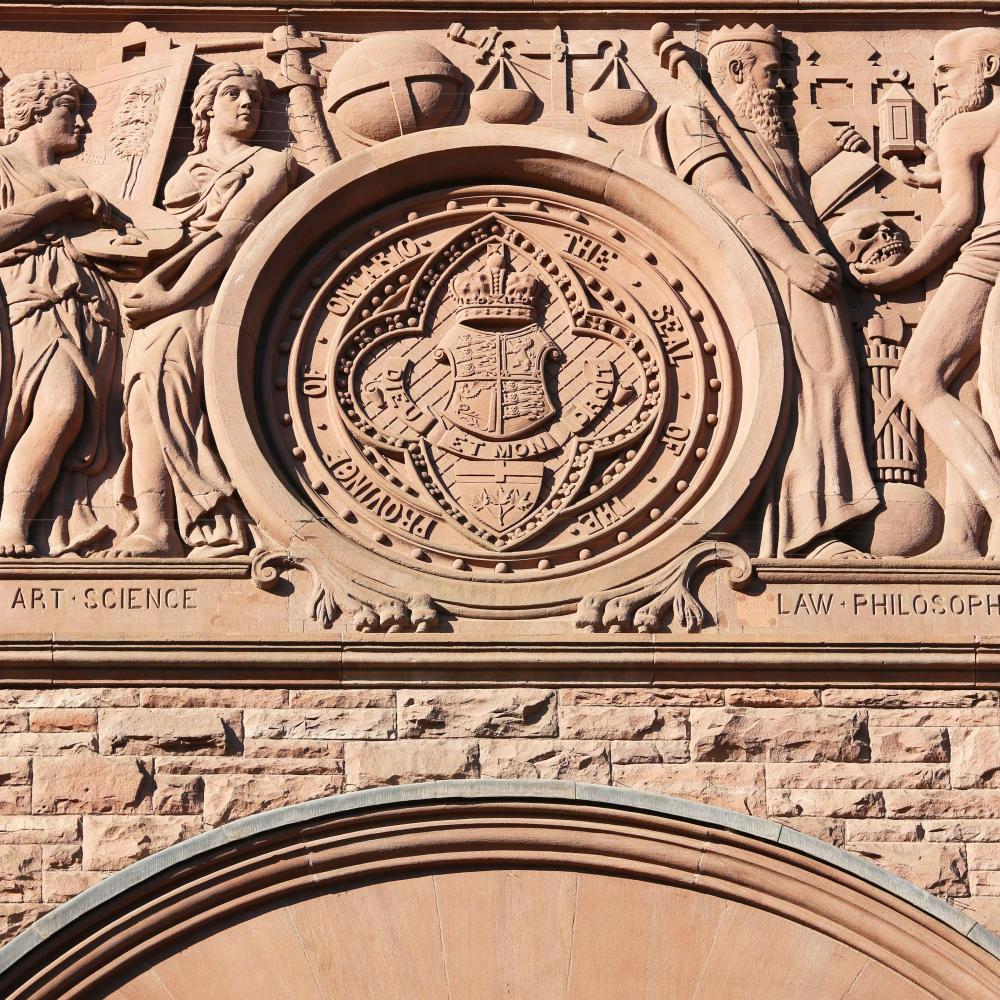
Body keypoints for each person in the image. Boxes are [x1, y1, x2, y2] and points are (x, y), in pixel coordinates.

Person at [663, 24, 879, 557]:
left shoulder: (761, 135)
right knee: (801, 389)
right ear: (735, 70)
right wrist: (792, 261)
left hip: (806, 273)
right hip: (758, 279)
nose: (783, 86)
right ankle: (804, 531)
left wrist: (827, 148)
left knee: (832, 383)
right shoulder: (690, 116)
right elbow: (727, 194)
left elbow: (779, 192)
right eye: (773, 73)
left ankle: (820, 519)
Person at [107, 62, 295, 557]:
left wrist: (172, 296)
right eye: (232, 92)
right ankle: (156, 522)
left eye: (255, 95)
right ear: (206, 106)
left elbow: (231, 232)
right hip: (160, 293)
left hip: (209, 296)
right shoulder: (182, 172)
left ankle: (205, 516)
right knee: (144, 399)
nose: (247, 102)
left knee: (175, 395)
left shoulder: (271, 163)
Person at [855, 27, 1000, 559]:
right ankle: (965, 538)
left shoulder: (968, 125)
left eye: (946, 70)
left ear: (988, 68)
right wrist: (933, 174)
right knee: (963, 389)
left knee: (919, 378)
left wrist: (892, 277)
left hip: (988, 260)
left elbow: (959, 218)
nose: (936, 83)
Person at [0, 70, 118, 557]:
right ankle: (11, 525)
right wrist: (58, 205)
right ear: (35, 113)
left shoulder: (72, 177)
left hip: (84, 307)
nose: (85, 127)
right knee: (59, 407)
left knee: (70, 416)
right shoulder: (4, 166)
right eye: (71, 112)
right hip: (28, 301)